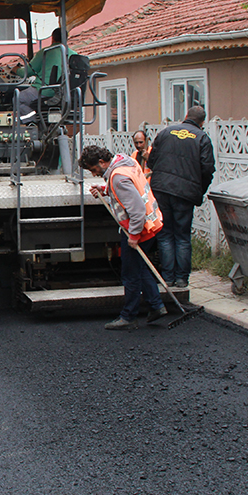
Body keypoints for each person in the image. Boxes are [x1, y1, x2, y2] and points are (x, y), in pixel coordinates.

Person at [80, 145, 167, 330]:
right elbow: (129, 189)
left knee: (130, 275)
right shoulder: (125, 162)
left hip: (139, 229)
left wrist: (134, 236)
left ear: (103, 162)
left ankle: (129, 316)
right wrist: (105, 189)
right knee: (140, 268)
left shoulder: (117, 178)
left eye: (95, 169)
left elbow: (137, 210)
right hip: (153, 223)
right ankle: (156, 306)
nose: (95, 174)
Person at [146, 105, 216, 289]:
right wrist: (198, 190)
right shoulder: (202, 138)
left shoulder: (165, 133)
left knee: (165, 235)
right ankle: (182, 280)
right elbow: (208, 170)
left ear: (186, 116)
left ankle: (168, 278)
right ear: (202, 122)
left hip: (161, 189)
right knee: (182, 237)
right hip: (185, 193)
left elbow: (151, 161)